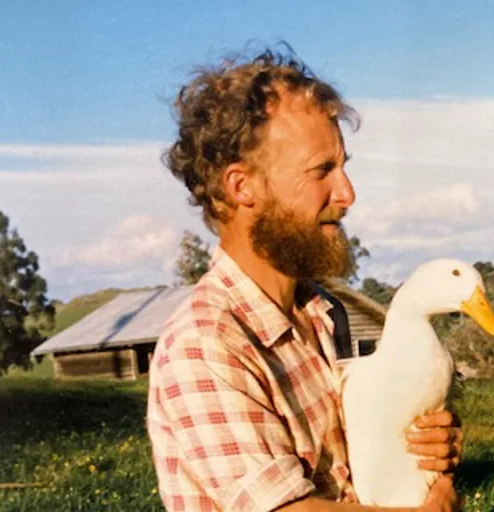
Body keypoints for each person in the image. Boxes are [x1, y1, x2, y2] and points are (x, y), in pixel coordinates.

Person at [146, 49, 464, 512]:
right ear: (242, 187)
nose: (348, 193)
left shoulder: (322, 312)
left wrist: (429, 453)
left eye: (344, 166)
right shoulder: (206, 343)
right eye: (322, 171)